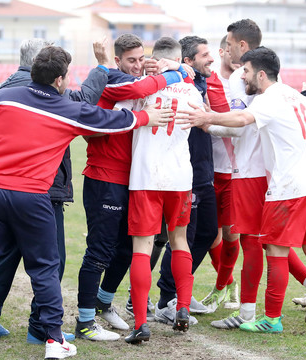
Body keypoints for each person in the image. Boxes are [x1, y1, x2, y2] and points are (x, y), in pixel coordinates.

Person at [0, 45, 173, 360]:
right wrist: (148, 116)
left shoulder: (3, 97)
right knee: (45, 269)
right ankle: (54, 341)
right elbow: (111, 120)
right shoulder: (67, 108)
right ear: (61, 80)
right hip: (33, 197)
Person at [177, 46, 306, 341]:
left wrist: (207, 116)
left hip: (288, 189)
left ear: (262, 74)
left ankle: (271, 319)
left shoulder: (269, 99)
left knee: (276, 251)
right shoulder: (292, 94)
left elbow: (242, 121)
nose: (243, 75)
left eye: (247, 70)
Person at [0, 37, 109, 345]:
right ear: (46, 68)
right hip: (40, 187)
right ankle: (40, 327)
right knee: (52, 260)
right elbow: (84, 101)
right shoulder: (46, 93)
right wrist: (102, 66)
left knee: (6, 254)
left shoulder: (5, 89)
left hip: (1, 185)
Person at [209, 19, 306, 330]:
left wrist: (204, 122)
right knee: (271, 242)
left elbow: (241, 124)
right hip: (271, 171)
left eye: (230, 43)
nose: (225, 48)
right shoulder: (276, 80)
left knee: (253, 243)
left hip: (249, 170)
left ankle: (248, 313)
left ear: (243, 47)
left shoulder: (241, 76)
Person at [75, 33, 190, 341]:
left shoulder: (146, 83)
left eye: (142, 59)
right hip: (105, 176)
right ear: (117, 62)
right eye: (131, 60)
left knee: (128, 249)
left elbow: (156, 91)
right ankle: (85, 321)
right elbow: (91, 131)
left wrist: (167, 73)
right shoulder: (112, 83)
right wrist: (136, 116)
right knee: (99, 249)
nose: (138, 66)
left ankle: (103, 300)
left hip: (137, 180)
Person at [114, 36, 204, 344]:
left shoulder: (144, 84)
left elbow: (119, 112)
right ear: (180, 58)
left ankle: (140, 323)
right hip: (180, 175)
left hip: (145, 175)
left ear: (154, 57)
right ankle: (181, 307)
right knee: (179, 239)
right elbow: (203, 118)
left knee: (143, 247)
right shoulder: (192, 88)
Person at [154, 35, 225, 322]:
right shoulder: (182, 83)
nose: (212, 59)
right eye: (205, 54)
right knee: (183, 237)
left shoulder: (201, 83)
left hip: (204, 172)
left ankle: (180, 290)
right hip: (186, 174)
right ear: (187, 61)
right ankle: (166, 300)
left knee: (207, 233)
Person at [201, 35, 241, 313]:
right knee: (208, 234)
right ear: (223, 51)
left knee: (231, 234)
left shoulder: (250, 83)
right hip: (209, 168)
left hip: (238, 172)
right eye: (231, 48)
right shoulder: (208, 80)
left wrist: (210, 120)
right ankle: (226, 284)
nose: (237, 54)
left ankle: (226, 286)